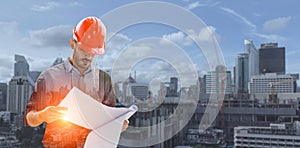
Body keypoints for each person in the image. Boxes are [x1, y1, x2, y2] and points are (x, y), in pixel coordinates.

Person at [24, 16, 129, 147]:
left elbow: (109, 119)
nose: (88, 56)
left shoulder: (104, 80)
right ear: (72, 44)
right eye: (84, 50)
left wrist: (118, 125)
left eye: (93, 52)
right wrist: (42, 115)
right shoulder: (49, 77)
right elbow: (29, 118)